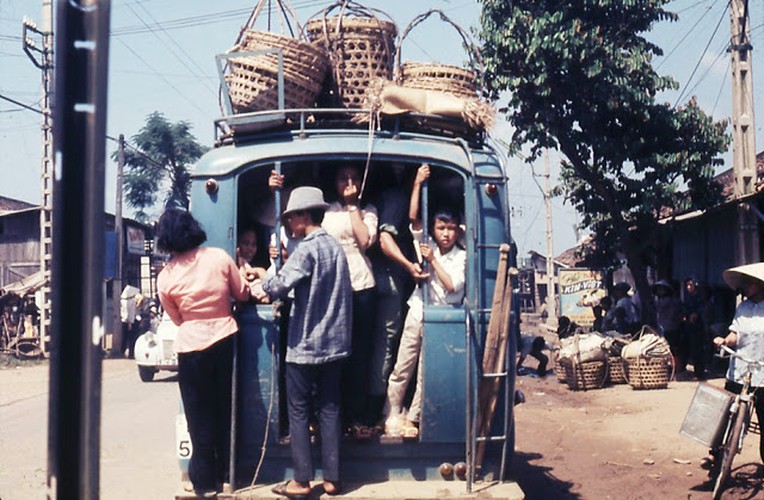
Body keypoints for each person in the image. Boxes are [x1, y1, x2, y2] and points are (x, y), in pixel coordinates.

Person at [259, 186, 352, 499]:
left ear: (304, 215)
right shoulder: (336, 249)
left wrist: (263, 274)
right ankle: (333, 480)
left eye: (291, 215)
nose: (288, 221)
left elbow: (278, 287)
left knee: (298, 412)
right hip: (335, 346)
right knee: (330, 410)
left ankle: (301, 480)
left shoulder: (307, 250)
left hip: (305, 348)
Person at [155, 208, 251, 497]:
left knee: (199, 417)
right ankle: (227, 476)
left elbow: (176, 318)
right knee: (226, 411)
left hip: (190, 346)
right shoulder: (219, 258)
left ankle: (202, 483)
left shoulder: (166, 277)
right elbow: (243, 293)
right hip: (224, 338)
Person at [384, 164, 466, 439]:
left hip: (442, 316)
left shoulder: (462, 256)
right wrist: (418, 183)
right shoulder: (426, 241)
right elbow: (413, 217)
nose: (446, 234)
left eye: (451, 229)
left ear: (458, 231)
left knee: (425, 372)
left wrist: (432, 261)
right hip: (419, 309)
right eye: (441, 228)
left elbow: (452, 285)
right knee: (403, 364)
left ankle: (414, 418)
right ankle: (391, 413)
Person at [321, 164, 379, 438]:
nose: (349, 182)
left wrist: (352, 204)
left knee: (359, 354)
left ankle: (357, 417)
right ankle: (333, 418)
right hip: (330, 286)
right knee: (332, 355)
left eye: (354, 177)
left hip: (361, 285)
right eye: (343, 177)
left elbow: (365, 239)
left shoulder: (368, 211)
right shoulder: (326, 210)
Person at [367, 163, 426, 431]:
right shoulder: (395, 198)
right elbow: (384, 240)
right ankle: (379, 408)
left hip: (379, 277)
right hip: (389, 278)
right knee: (386, 343)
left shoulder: (388, 197)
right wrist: (407, 265)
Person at [710, 263, 764, 466]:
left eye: (751, 282)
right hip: (740, 368)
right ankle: (716, 453)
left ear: (760, 284)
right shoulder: (743, 307)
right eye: (746, 283)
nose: (747, 285)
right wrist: (724, 340)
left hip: (763, 372)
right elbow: (736, 334)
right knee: (727, 413)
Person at [681, 277, 707, 379]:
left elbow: (701, 310)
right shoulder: (688, 297)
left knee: (698, 350)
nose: (688, 287)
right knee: (687, 348)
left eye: (690, 285)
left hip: (698, 327)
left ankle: (699, 373)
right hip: (689, 326)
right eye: (687, 285)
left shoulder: (699, 298)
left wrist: (695, 315)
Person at [652, 280, 682, 365]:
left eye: (661, 289)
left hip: (669, 327)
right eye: (658, 290)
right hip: (663, 327)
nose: (659, 291)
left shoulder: (667, 300)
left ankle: (673, 365)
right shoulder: (661, 300)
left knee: (671, 348)